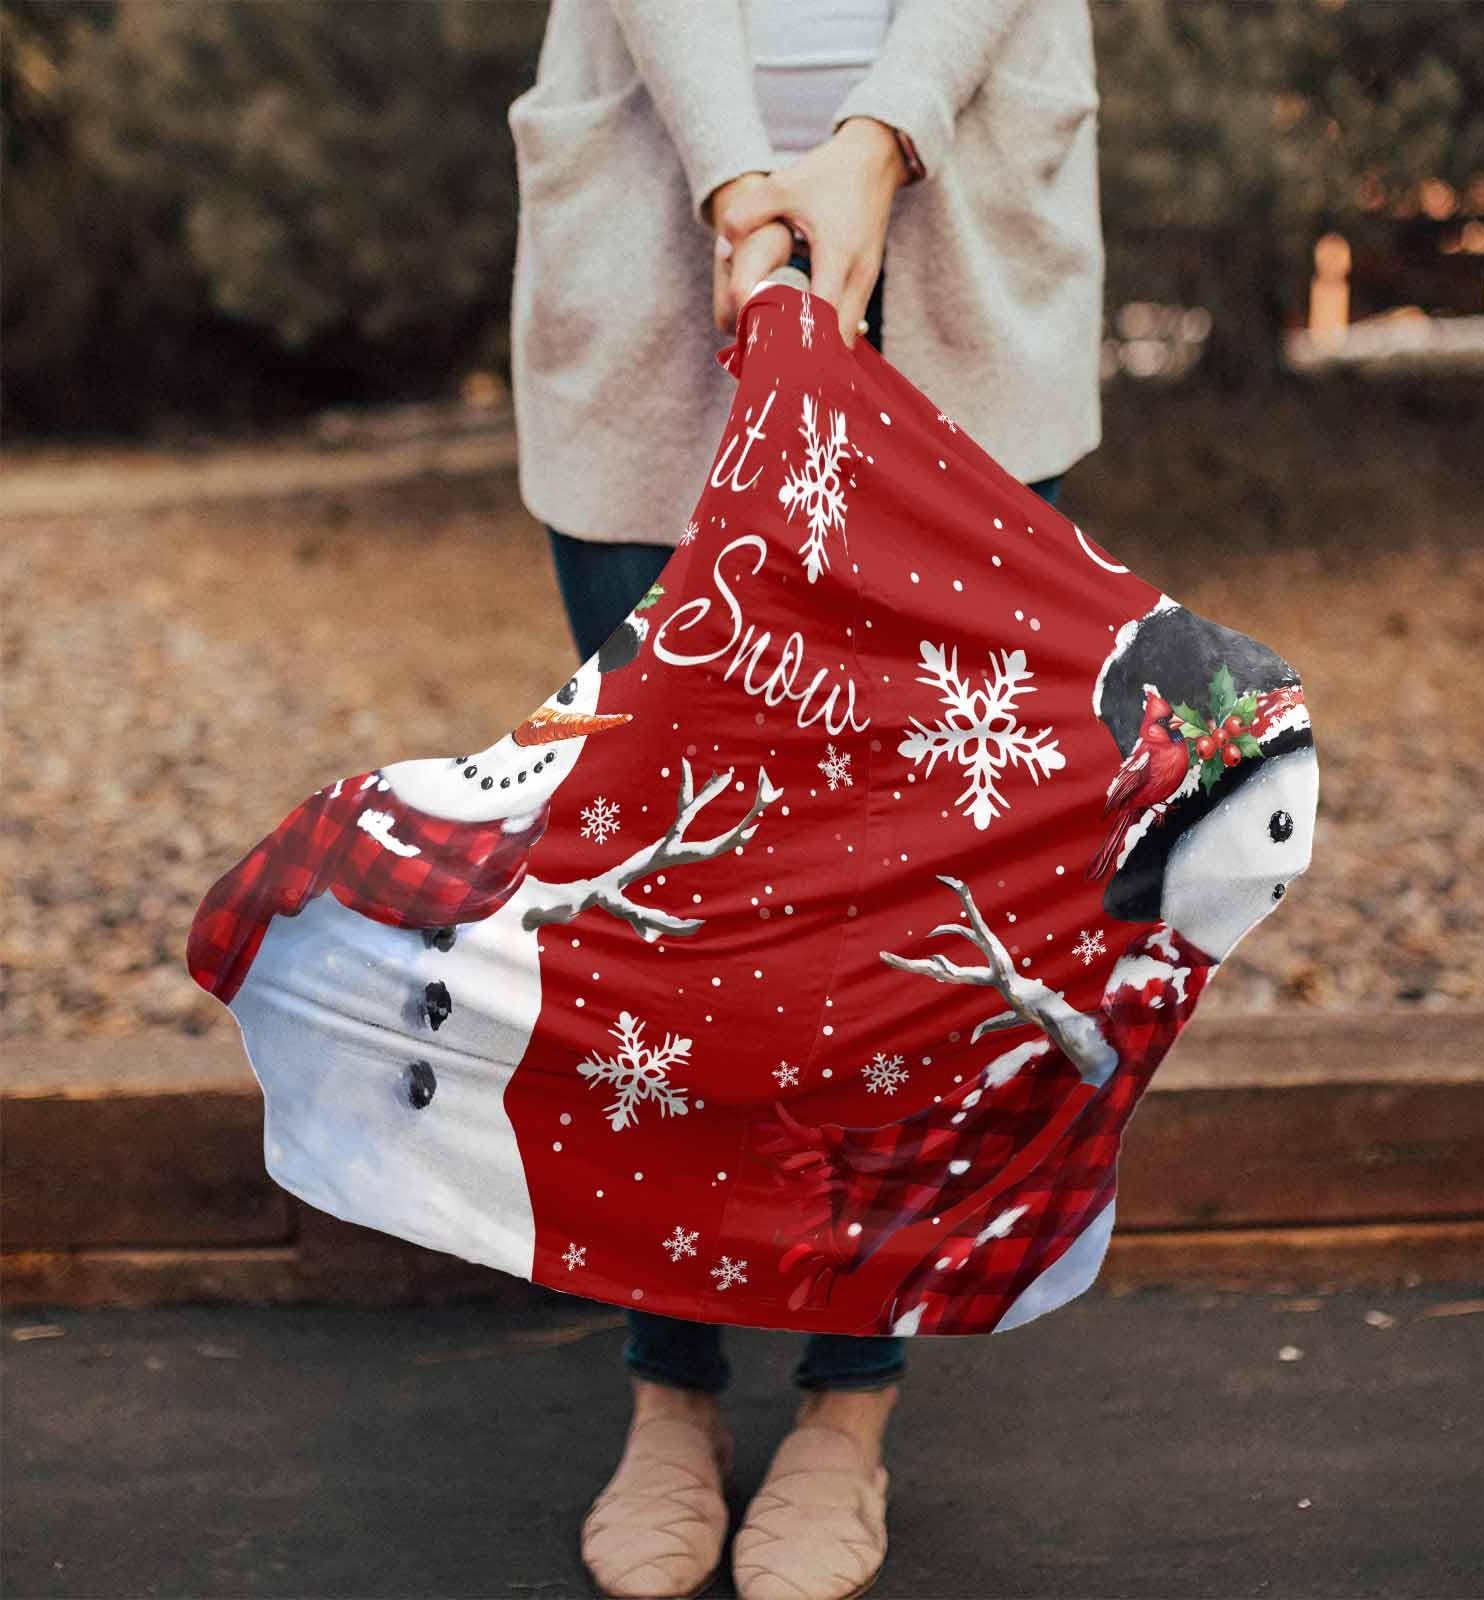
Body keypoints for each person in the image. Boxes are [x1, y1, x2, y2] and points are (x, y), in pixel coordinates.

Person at [505, 4, 1103, 1595]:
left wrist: (876, 137)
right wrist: (734, 179)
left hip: (959, 225)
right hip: (656, 221)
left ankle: (849, 1405)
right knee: (664, 878)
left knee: (918, 880)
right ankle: (670, 1386)